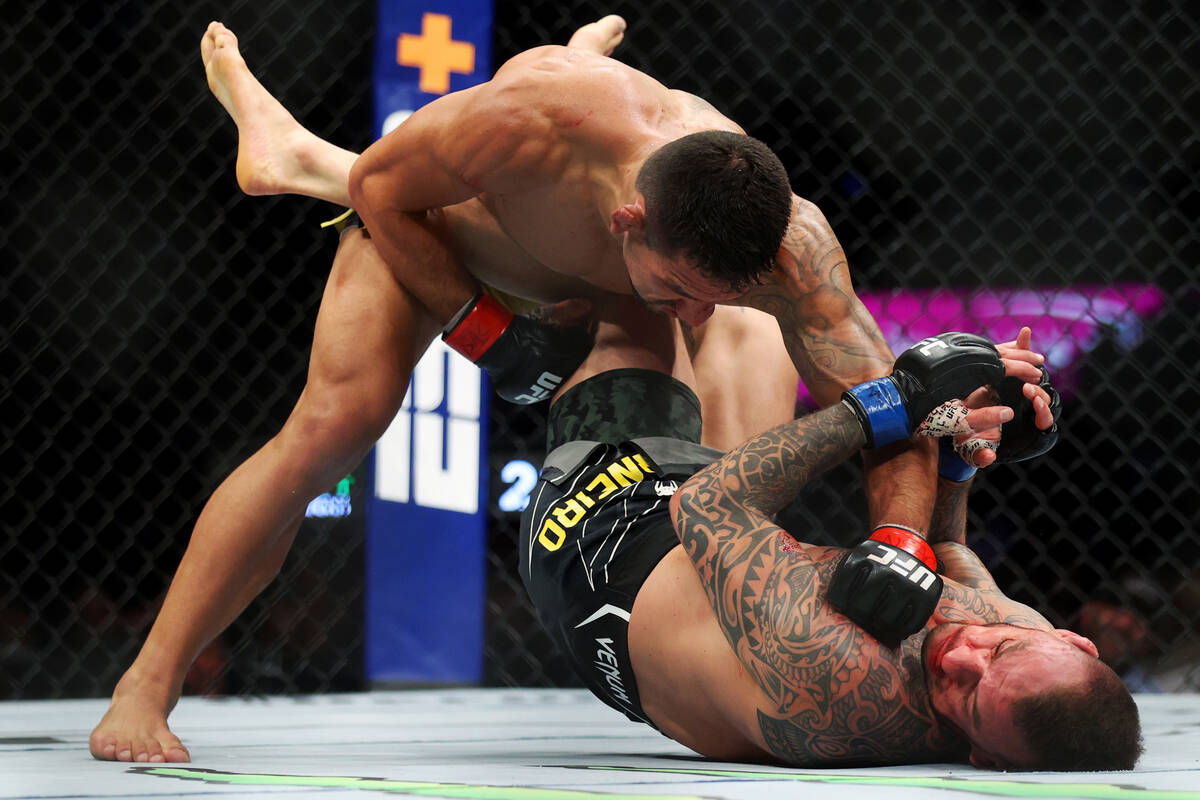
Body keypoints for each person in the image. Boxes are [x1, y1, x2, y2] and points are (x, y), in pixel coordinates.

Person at [88, 16, 1025, 763]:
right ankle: (149, 679)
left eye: (711, 293)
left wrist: (903, 538)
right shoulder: (526, 124)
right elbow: (382, 191)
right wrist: (489, 333)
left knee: (745, 348)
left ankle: (300, 154)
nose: (692, 317)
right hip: (437, 235)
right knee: (334, 425)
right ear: (628, 219)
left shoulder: (790, 246)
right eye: (680, 288)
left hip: (591, 268)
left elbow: (897, 406)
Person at [523, 303, 1142, 770]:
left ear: (981, 755)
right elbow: (948, 553)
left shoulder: (831, 678)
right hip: (708, 547)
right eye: (1000, 650)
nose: (959, 657)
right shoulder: (1032, 650)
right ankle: (534, 351)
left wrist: (889, 402)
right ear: (1072, 642)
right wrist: (959, 452)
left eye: (969, 697)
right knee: (746, 324)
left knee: (634, 301)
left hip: (604, 542)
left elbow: (706, 503)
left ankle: (504, 340)